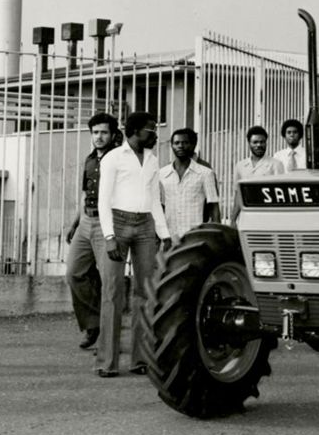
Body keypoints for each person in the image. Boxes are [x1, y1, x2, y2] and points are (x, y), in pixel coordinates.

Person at [98, 111, 172, 378]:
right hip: (117, 224)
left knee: (144, 293)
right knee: (112, 293)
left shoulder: (152, 159)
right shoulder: (113, 158)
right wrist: (108, 237)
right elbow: (102, 200)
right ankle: (107, 362)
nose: (154, 133)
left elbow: (154, 199)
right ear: (135, 130)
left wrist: (164, 233)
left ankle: (140, 359)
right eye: (150, 129)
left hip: (145, 227)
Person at [64, 113, 117, 351]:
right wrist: (75, 224)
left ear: (113, 134)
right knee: (75, 272)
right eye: (95, 132)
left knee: (110, 281)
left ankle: (110, 336)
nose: (99, 137)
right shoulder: (89, 160)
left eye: (104, 132)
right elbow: (85, 195)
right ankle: (92, 323)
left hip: (109, 223)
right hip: (86, 220)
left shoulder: (118, 159)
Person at [159, 128, 220, 246]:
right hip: (169, 237)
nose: (180, 146)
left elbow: (214, 207)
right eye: (176, 143)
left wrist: (216, 235)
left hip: (195, 236)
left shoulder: (205, 173)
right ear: (171, 146)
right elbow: (159, 207)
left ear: (192, 145)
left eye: (185, 143)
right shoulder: (162, 174)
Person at [230, 125, 285, 222]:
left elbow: (280, 195)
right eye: (255, 142)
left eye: (262, 142)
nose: (259, 145)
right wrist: (233, 220)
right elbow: (238, 194)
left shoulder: (276, 164)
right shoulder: (241, 165)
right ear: (249, 143)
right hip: (247, 216)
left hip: (268, 216)